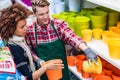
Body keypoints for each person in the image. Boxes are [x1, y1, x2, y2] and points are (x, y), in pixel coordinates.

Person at [25, 0, 98, 80]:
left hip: (61, 70)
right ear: (34, 14)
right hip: (44, 72)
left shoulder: (58, 24)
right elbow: (29, 50)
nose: (46, 17)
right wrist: (36, 59)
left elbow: (71, 36)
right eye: (41, 14)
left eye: (47, 12)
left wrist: (86, 49)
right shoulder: (30, 30)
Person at [0, 3, 63, 80]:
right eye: (22, 27)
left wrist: (36, 59)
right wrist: (46, 67)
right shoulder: (16, 49)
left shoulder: (17, 40)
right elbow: (28, 78)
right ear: (11, 30)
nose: (26, 28)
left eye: (25, 24)